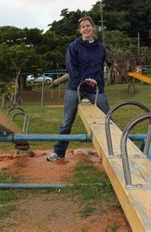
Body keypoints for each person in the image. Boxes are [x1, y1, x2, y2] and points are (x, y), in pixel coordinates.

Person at [47, 16, 110, 162]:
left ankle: (111, 151)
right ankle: (59, 152)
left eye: (88, 26)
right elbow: (71, 67)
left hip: (95, 87)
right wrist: (83, 80)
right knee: (67, 121)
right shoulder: (74, 46)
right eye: (83, 27)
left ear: (93, 27)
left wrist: (97, 82)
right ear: (80, 30)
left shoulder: (100, 47)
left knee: (108, 117)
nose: (86, 29)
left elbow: (99, 67)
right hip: (76, 87)